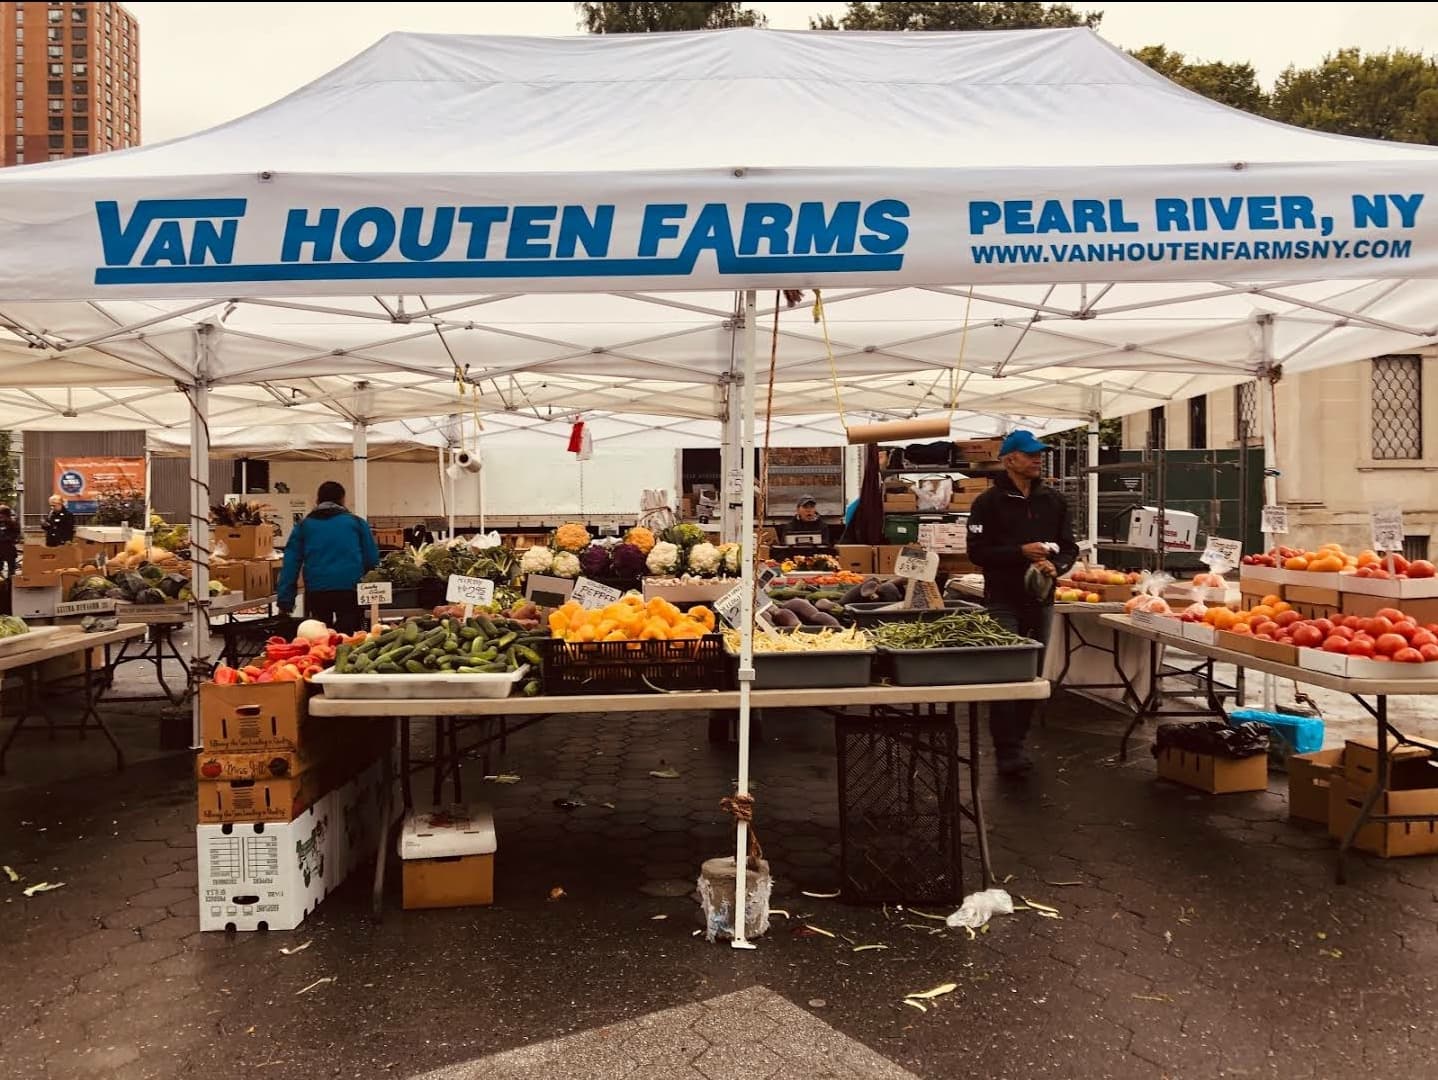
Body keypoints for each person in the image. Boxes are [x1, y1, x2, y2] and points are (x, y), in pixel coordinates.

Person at [965, 430, 1078, 778]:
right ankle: (1006, 750)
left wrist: (1055, 566)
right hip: (1002, 600)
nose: (1037, 459)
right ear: (1009, 458)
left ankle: (1020, 741)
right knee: (1008, 670)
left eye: (1038, 454)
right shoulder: (987, 503)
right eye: (1030, 454)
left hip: (1040, 599)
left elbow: (1069, 547)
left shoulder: (1054, 501)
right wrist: (1019, 553)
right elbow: (976, 552)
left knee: (1031, 674)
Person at [277, 481, 379, 634]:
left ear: (318, 500)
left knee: (319, 638)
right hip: (350, 590)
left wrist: (285, 600)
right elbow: (371, 560)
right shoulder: (357, 523)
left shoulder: (304, 526)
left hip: (317, 591)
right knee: (349, 637)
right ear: (342, 499)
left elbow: (290, 564)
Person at [0, 505, 18, 579]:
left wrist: (5, 537)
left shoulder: (13, 523)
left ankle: (10, 584)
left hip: (9, 549)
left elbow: (15, 535)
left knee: (11, 570)